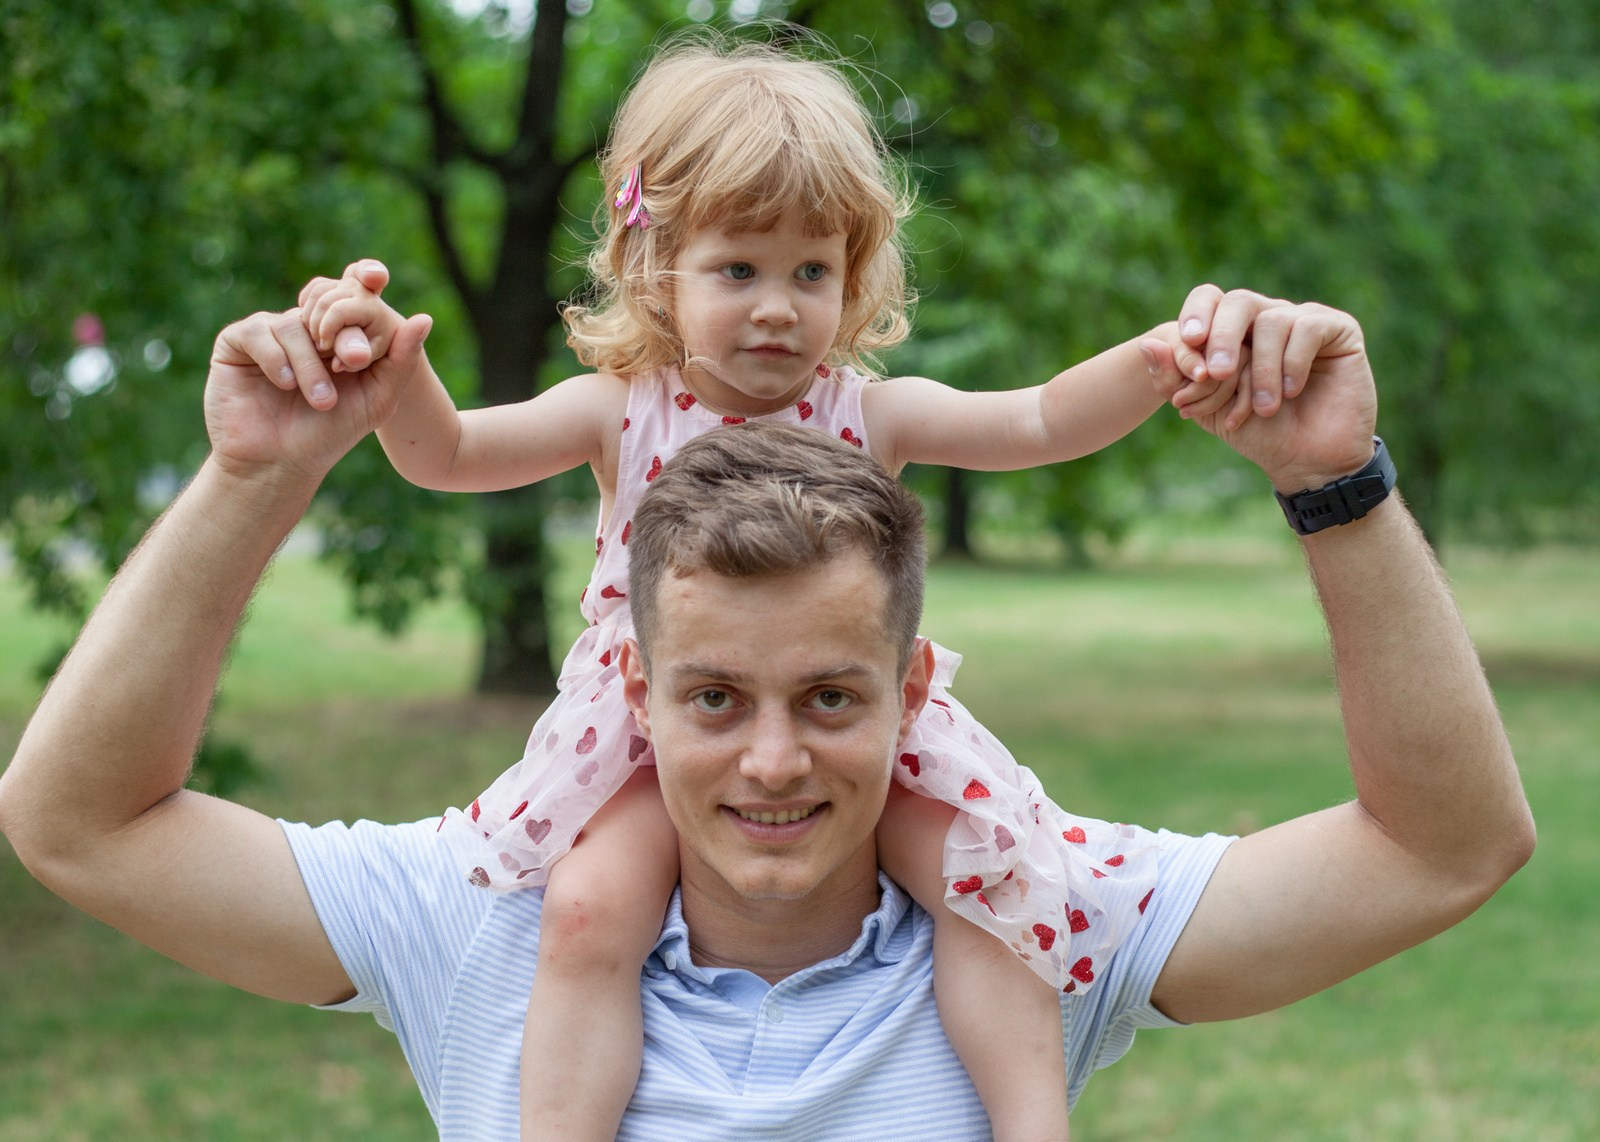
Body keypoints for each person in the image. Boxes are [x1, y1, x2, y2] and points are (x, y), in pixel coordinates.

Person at [0, 272, 1534, 1138]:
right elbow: (78, 819)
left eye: (833, 694)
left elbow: (1443, 849)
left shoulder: (1030, 907)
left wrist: (1333, 479)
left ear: (918, 690)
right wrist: (253, 481)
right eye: (716, 697)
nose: (776, 758)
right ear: (634, 700)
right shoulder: (485, 916)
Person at [293, 37, 1250, 1142]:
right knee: (591, 905)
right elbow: (448, 454)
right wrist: (395, 366)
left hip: (853, 732)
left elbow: (1034, 419)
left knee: (992, 889)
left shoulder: (868, 411)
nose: (777, 309)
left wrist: (1156, 361)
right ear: (658, 266)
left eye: (812, 272)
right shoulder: (619, 408)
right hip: (659, 730)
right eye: (738, 269)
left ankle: (1032, 1124)